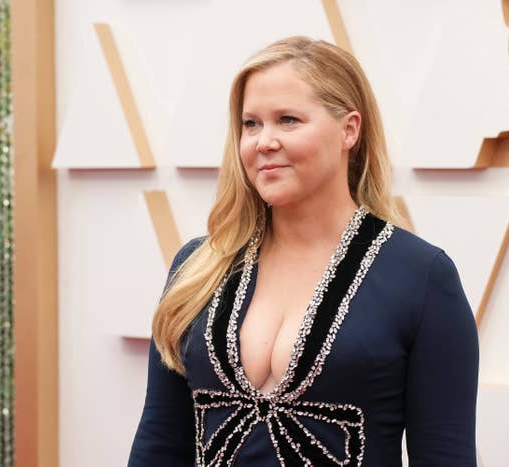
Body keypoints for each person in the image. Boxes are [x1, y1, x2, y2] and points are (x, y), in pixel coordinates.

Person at [128, 36, 478, 466]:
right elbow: (159, 441)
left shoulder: (422, 276)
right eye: (251, 124)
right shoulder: (198, 267)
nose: (263, 142)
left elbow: (445, 455)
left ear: (350, 129)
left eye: (288, 120)